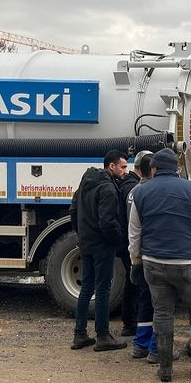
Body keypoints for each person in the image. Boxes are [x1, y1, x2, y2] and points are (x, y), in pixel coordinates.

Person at [128, 148, 191, 382]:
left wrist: (135, 262)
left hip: (153, 262)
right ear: (177, 168)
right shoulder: (190, 190)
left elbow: (135, 232)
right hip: (186, 263)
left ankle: (165, 369)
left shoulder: (140, 192)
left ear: (153, 168)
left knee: (162, 313)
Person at [69, 150, 129, 352]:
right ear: (111, 166)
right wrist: (118, 240)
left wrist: (82, 233)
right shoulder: (108, 188)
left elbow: (74, 210)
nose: (125, 171)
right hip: (103, 245)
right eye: (123, 166)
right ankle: (103, 336)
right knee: (103, 289)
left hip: (86, 243)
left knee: (87, 287)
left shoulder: (85, 183)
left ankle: (80, 334)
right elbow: (108, 221)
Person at [116, 150, 152, 337]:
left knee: (133, 283)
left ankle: (131, 323)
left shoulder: (128, 186)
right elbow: (135, 224)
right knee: (136, 284)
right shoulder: (134, 189)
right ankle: (131, 324)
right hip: (133, 245)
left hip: (127, 243)